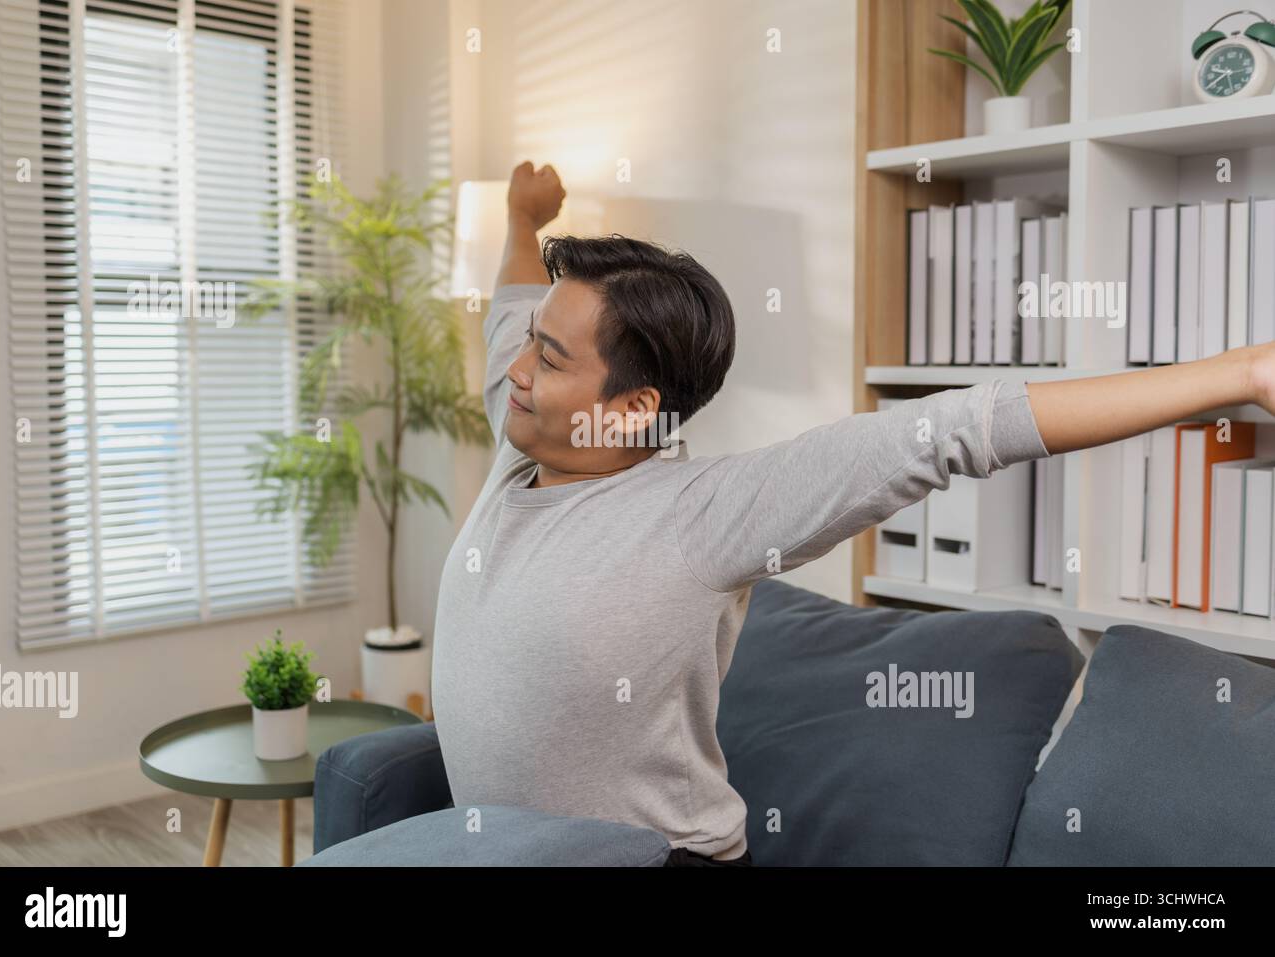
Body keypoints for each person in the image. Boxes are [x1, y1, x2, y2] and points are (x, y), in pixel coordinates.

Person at [429, 160, 1275, 867]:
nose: (518, 368)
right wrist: (521, 216)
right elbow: (510, 306)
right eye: (533, 340)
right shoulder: (525, 436)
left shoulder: (703, 514)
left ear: (629, 406)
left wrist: (1240, 373)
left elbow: (952, 431)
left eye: (547, 353)